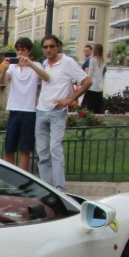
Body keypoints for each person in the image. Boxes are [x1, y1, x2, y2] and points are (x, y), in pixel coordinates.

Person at [33, 35, 90, 191]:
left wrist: (71, 99)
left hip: (57, 112)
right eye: (45, 47)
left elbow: (87, 81)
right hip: (41, 111)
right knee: (42, 151)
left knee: (55, 148)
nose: (49, 50)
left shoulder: (68, 62)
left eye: (52, 46)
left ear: (58, 46)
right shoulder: (44, 63)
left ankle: (59, 188)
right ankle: (47, 186)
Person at [0, 36, 46, 172]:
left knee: (25, 148)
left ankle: (22, 177)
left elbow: (45, 77)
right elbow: (2, 82)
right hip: (14, 110)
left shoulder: (36, 66)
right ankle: (10, 176)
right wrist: (4, 69)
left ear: (29, 51)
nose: (20, 53)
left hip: (29, 111)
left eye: (23, 50)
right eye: (18, 50)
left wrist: (30, 64)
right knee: (9, 147)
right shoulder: (12, 67)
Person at [83, 43, 106, 114]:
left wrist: (85, 82)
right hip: (99, 86)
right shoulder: (104, 61)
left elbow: (90, 73)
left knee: (88, 106)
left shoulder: (92, 60)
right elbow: (103, 74)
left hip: (92, 86)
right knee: (98, 107)